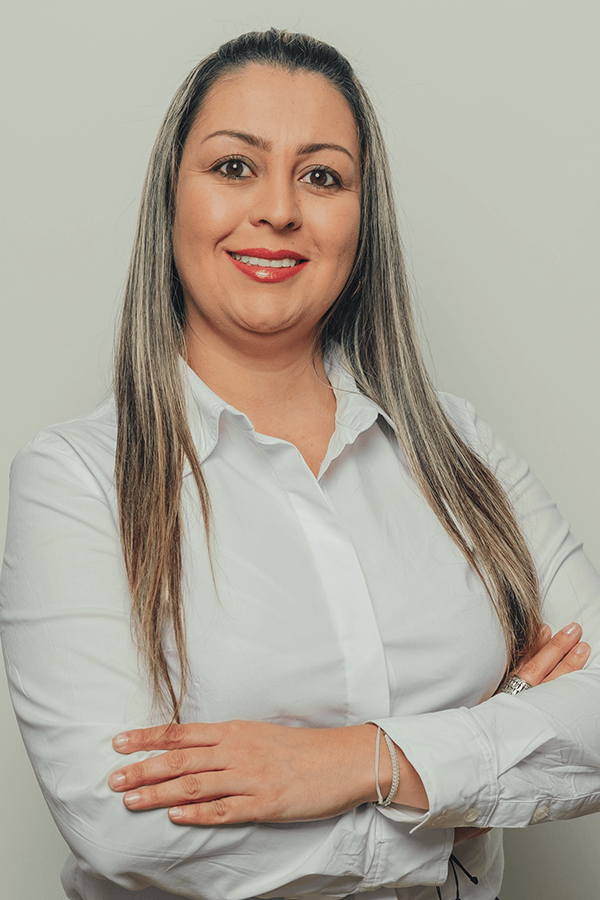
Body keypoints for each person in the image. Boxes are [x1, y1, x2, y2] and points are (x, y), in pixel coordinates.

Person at [1, 27, 599, 900]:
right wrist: (468, 797)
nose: (278, 209)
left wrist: (359, 761)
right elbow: (120, 824)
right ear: (172, 198)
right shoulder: (75, 480)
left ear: (363, 216)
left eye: (322, 176)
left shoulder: (457, 447)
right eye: (234, 166)